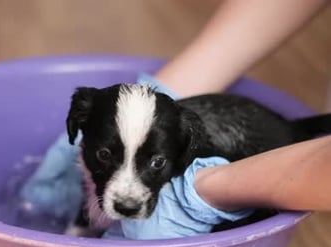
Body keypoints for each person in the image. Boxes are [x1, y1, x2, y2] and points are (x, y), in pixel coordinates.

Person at [21, 0, 331, 227]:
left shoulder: (187, 137)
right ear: (77, 128)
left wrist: (207, 194)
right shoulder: (168, 131)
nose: (128, 194)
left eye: (156, 162)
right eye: (105, 155)